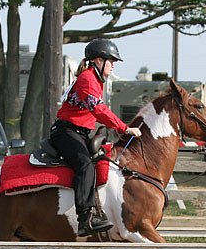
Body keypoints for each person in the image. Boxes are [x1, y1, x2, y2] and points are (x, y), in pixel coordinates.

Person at [49, 38, 142, 237]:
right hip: (66, 132)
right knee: (85, 165)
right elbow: (98, 110)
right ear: (99, 61)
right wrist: (124, 128)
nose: (114, 64)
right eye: (112, 60)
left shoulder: (94, 80)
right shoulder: (88, 79)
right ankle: (85, 218)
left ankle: (99, 210)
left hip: (79, 132)